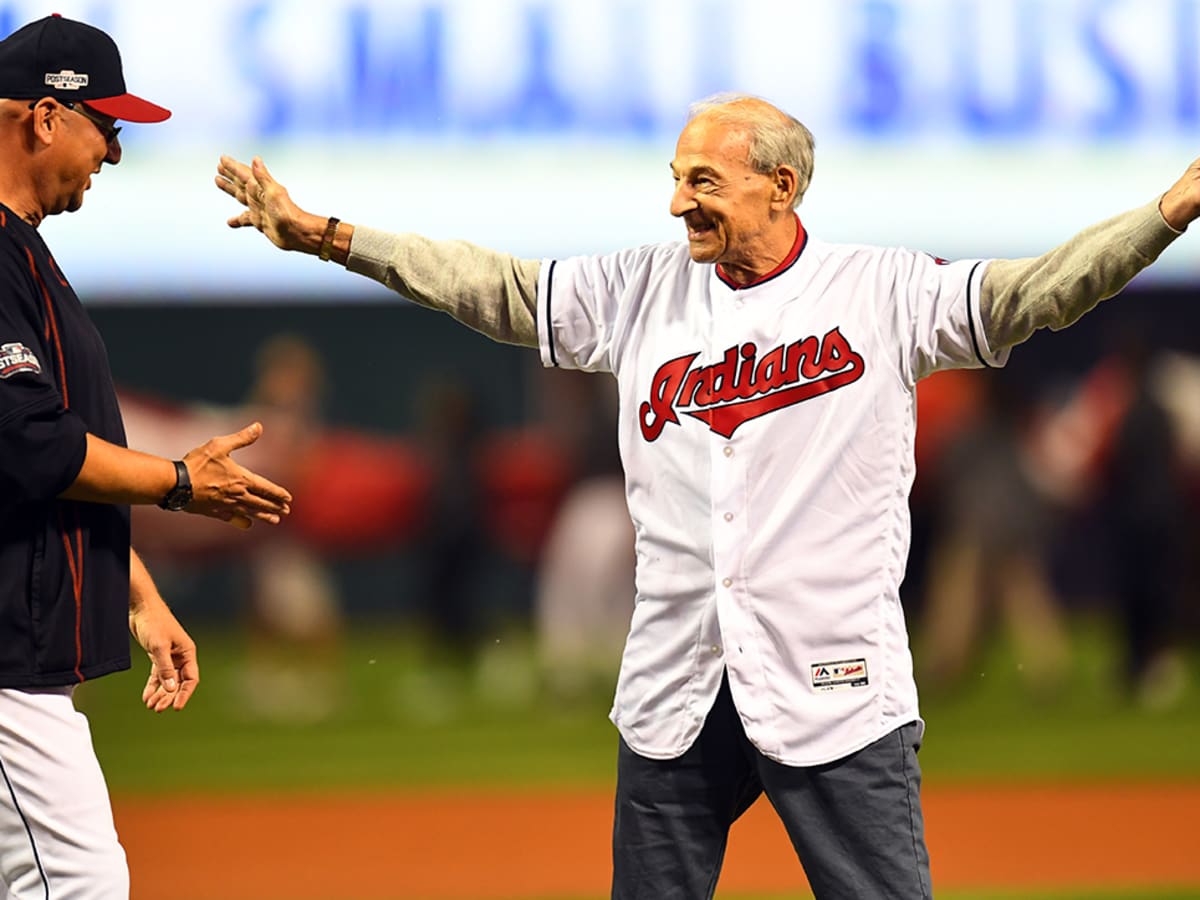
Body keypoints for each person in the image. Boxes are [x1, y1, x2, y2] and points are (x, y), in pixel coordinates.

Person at [216, 92, 1195, 898]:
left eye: (703, 180)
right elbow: (493, 286)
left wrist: (1167, 212)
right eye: (676, 178)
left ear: (783, 186)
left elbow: (1040, 292)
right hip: (678, 682)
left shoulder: (882, 291)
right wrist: (334, 238)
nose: (679, 201)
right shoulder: (641, 289)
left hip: (832, 680)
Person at [0, 14, 292, 899]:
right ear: (46, 117)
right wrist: (178, 483)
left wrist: (138, 594)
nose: (116, 154)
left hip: (20, 656)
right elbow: (26, 443)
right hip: (6, 669)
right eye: (107, 126)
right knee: (78, 886)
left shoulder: (26, 255)